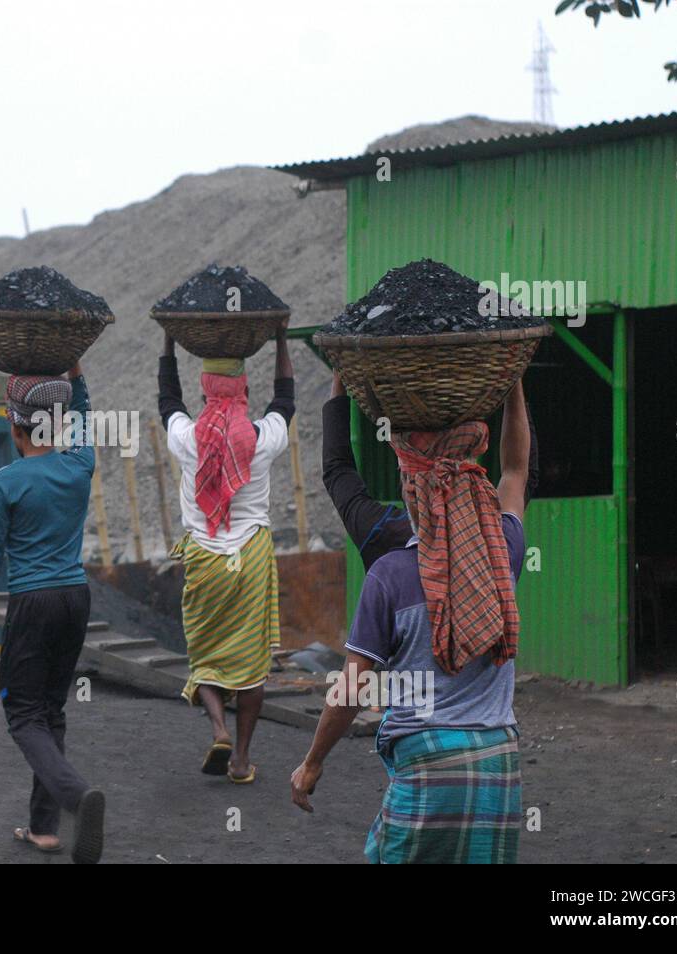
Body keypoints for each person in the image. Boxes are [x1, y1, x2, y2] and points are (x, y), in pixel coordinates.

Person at [293, 379, 532, 863]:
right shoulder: (502, 552)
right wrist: (513, 384)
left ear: (413, 489)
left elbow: (350, 689)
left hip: (427, 765)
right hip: (498, 767)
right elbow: (515, 469)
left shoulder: (390, 573)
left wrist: (311, 764)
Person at [0, 364, 106, 865]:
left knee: (22, 715)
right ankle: (43, 829)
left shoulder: (7, 482)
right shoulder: (79, 464)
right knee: (51, 710)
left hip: (33, 603)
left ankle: (75, 797)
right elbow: (85, 415)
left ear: (15, 429)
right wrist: (77, 376)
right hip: (75, 598)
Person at [159, 326, 294, 784]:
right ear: (243, 389)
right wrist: (279, 340)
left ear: (205, 389)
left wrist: (167, 342)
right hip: (252, 558)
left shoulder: (187, 438)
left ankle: (217, 726)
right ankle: (240, 759)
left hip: (205, 558)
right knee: (252, 660)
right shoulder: (262, 436)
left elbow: (167, 402)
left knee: (205, 652)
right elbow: (286, 399)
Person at [320, 369, 540, 570]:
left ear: (408, 483)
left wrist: (340, 376)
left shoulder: (384, 542)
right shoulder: (498, 541)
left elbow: (337, 469)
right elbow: (517, 471)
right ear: (466, 473)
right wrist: (514, 373)